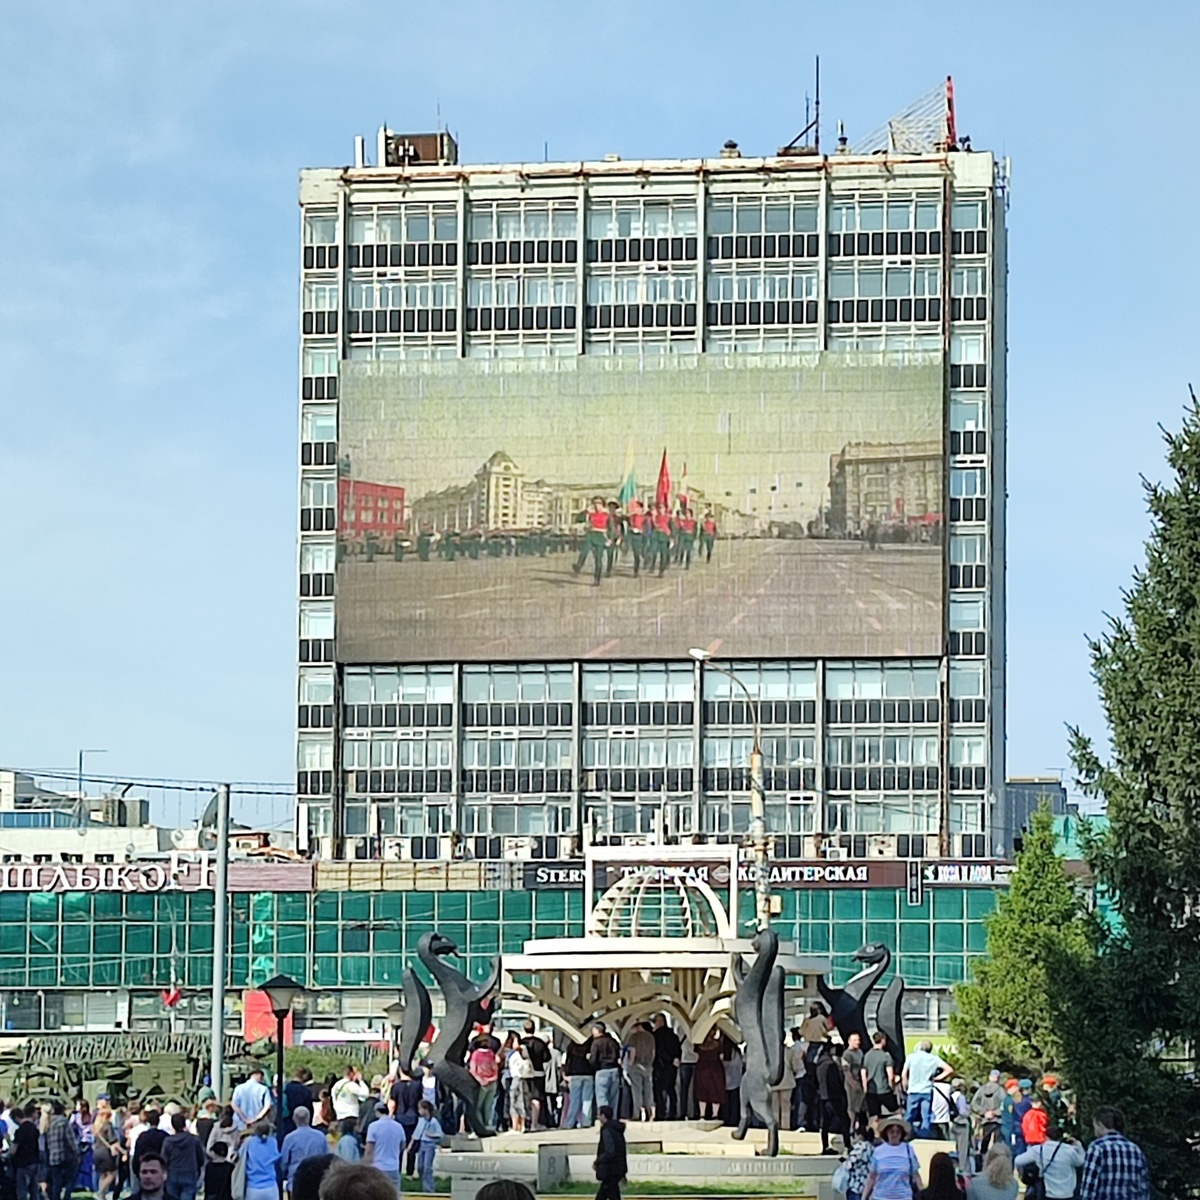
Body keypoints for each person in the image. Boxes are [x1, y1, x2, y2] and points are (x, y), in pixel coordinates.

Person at [1078, 1106, 1149, 1200]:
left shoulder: (1097, 1148)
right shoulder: (1135, 1149)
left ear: (1101, 1125)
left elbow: (1089, 1186)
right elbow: (1143, 1187)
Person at [1015, 1124, 1086, 1200]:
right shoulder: (1069, 1150)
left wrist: (1021, 1173)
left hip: (1047, 1193)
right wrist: (1078, 1145)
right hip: (1067, 1193)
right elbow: (1081, 1161)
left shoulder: (1038, 1150)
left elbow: (1018, 1161)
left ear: (1046, 1136)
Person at [861, 1114, 922, 1200]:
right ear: (886, 1133)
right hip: (881, 1197)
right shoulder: (878, 1151)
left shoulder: (908, 1150)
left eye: (898, 1132)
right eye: (892, 1131)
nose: (895, 1134)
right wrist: (864, 1197)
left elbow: (916, 1176)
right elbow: (872, 1178)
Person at [900, 1041, 953, 1139]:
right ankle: (924, 1137)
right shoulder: (934, 1059)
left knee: (909, 1115)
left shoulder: (911, 1057)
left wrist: (905, 1086)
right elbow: (949, 1070)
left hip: (913, 1090)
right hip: (927, 1091)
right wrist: (937, 1078)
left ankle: (905, 1135)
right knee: (926, 1116)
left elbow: (904, 1074)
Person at [281, 1108, 330, 1195]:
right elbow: (327, 1158)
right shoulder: (320, 1136)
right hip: (317, 1182)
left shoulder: (289, 1139)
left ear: (294, 1119)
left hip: (295, 1183)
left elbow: (283, 1163)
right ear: (309, 1118)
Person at [814, 1043, 850, 1154]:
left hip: (823, 1097)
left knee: (824, 1123)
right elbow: (835, 1082)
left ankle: (824, 1146)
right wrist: (842, 1093)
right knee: (845, 1120)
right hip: (834, 1097)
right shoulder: (831, 1065)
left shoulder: (819, 1065)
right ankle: (848, 1145)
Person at [162, 1112, 206, 1200]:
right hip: (189, 1172)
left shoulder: (168, 1141)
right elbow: (201, 1158)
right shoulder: (193, 1139)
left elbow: (163, 1159)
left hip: (173, 1173)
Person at [363, 1102, 406, 1190]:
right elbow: (402, 1146)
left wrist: (364, 1166)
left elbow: (369, 1150)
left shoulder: (373, 1127)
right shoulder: (399, 1126)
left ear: (377, 1112)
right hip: (394, 1167)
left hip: (378, 1167)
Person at [45, 1101, 82, 1200]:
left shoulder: (48, 1123)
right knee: (72, 1177)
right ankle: (67, 1196)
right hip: (65, 1156)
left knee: (56, 1181)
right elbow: (71, 1140)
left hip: (52, 1156)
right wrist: (77, 1153)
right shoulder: (64, 1122)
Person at [521, 1021, 551, 1131]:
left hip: (523, 1073)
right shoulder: (540, 1043)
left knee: (524, 1098)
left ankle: (524, 1123)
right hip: (538, 1073)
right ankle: (534, 1123)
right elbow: (547, 1057)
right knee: (536, 1098)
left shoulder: (521, 1042)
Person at [971, 1070, 1007, 1160]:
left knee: (984, 1141)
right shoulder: (1001, 1091)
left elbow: (974, 1104)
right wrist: (995, 1112)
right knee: (997, 1143)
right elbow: (1005, 1105)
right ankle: (995, 1161)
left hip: (985, 1120)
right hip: (998, 1120)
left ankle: (981, 1160)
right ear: (998, 1078)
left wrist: (983, 1112)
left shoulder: (981, 1090)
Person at [624, 1022, 656, 1122]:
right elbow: (653, 1052)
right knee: (648, 1090)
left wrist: (630, 1063)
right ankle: (650, 1111)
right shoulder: (650, 1037)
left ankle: (637, 1113)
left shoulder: (634, 1037)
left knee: (637, 1090)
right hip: (648, 1066)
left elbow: (633, 1051)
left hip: (636, 1066)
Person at [467, 1036, 500, 1134]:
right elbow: (495, 1067)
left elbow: (473, 1070)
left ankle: (480, 1127)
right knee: (488, 1107)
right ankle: (487, 1125)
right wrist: (493, 1078)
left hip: (481, 1083)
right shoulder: (491, 1053)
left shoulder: (475, 1054)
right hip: (492, 1082)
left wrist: (480, 1079)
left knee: (477, 1107)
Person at [242, 1120, 282, 1200]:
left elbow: (241, 1157)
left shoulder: (249, 1142)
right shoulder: (273, 1142)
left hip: (253, 1187)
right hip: (271, 1186)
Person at [651, 1015, 681, 1122]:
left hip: (660, 1066)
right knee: (671, 1089)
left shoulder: (656, 1036)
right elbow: (678, 1049)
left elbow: (658, 1051)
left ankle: (661, 1113)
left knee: (659, 1090)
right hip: (672, 1066)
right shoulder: (673, 1035)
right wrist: (675, 1059)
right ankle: (673, 1112)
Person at [593, 1106, 627, 1200]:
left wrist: (598, 1161)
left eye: (599, 1114)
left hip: (609, 1170)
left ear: (603, 1116)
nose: (597, 1117)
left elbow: (609, 1151)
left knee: (607, 1194)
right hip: (616, 1169)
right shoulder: (617, 1130)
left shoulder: (607, 1131)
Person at [562, 1037, 596, 1130]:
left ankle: (570, 1122)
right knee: (587, 1100)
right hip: (588, 1074)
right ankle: (586, 1121)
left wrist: (566, 1073)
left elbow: (567, 1061)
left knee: (574, 1100)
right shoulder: (590, 1045)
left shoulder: (571, 1047)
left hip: (575, 1074)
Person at [588, 1024, 622, 1117]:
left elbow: (593, 1058)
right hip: (614, 1070)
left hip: (602, 1070)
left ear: (598, 1030)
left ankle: (604, 1118)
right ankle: (613, 1117)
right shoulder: (613, 1041)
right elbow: (618, 1054)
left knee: (602, 1097)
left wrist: (592, 1065)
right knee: (614, 1097)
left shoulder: (596, 1042)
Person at [411, 1100, 443, 1194]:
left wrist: (431, 1135)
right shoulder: (421, 1121)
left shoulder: (433, 1121)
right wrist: (410, 1145)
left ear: (426, 1109)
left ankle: (429, 1188)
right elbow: (416, 1133)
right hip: (422, 1144)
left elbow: (440, 1134)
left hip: (430, 1145)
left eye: (420, 1109)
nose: (419, 1111)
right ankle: (423, 1183)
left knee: (427, 1167)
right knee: (420, 1166)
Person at [693, 1031, 726, 1121]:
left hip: (702, 1067)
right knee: (716, 1090)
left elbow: (695, 1055)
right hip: (715, 1068)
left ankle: (702, 1114)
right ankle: (715, 1114)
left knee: (702, 1090)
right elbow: (722, 1056)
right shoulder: (718, 1044)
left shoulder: (698, 1043)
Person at [12, 1107, 41, 1200]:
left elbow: (13, 1149)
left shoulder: (20, 1130)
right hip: (35, 1161)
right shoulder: (34, 1128)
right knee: (34, 1189)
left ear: (16, 1118)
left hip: (23, 1163)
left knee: (22, 1189)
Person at [93, 1104, 120, 1200]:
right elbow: (112, 1140)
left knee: (102, 1174)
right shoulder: (107, 1125)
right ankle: (101, 1192)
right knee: (112, 1174)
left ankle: (102, 1196)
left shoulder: (96, 1126)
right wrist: (123, 1151)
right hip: (106, 1152)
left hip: (96, 1151)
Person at [843, 1123, 875, 1200]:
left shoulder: (859, 1147)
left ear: (860, 1135)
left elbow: (849, 1164)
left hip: (856, 1184)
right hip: (866, 1185)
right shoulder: (872, 1148)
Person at [842, 1032, 866, 1132]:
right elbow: (846, 1071)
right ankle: (850, 1128)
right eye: (855, 1040)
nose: (858, 1042)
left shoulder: (860, 1052)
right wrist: (853, 1084)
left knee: (859, 1107)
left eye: (858, 1040)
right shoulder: (847, 1054)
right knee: (851, 1107)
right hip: (851, 1084)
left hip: (860, 1083)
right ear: (849, 1041)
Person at [508, 1045, 535, 1134]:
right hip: (525, 1080)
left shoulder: (514, 1057)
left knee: (514, 1103)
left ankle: (515, 1126)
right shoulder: (528, 1059)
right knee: (524, 1103)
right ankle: (523, 1125)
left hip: (516, 1079)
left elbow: (510, 1066)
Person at [284, 1068, 316, 1139]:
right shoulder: (305, 1091)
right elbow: (310, 1109)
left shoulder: (285, 1088)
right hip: (300, 1124)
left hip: (285, 1122)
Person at [132, 1109, 167, 1173]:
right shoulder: (165, 1136)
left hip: (146, 1168)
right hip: (160, 1168)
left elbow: (137, 1155)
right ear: (158, 1121)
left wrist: (137, 1170)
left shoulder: (143, 1136)